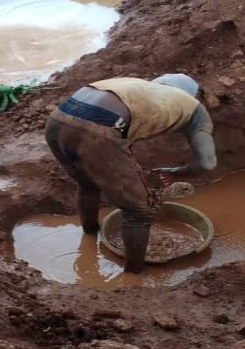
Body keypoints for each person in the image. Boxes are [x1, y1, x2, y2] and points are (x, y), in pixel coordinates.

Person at [45, 73, 217, 273]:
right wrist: (177, 173)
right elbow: (207, 163)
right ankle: (134, 277)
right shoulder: (193, 107)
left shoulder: (136, 87)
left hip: (57, 121)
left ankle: (89, 237)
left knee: (87, 185)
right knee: (139, 211)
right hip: (97, 131)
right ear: (192, 95)